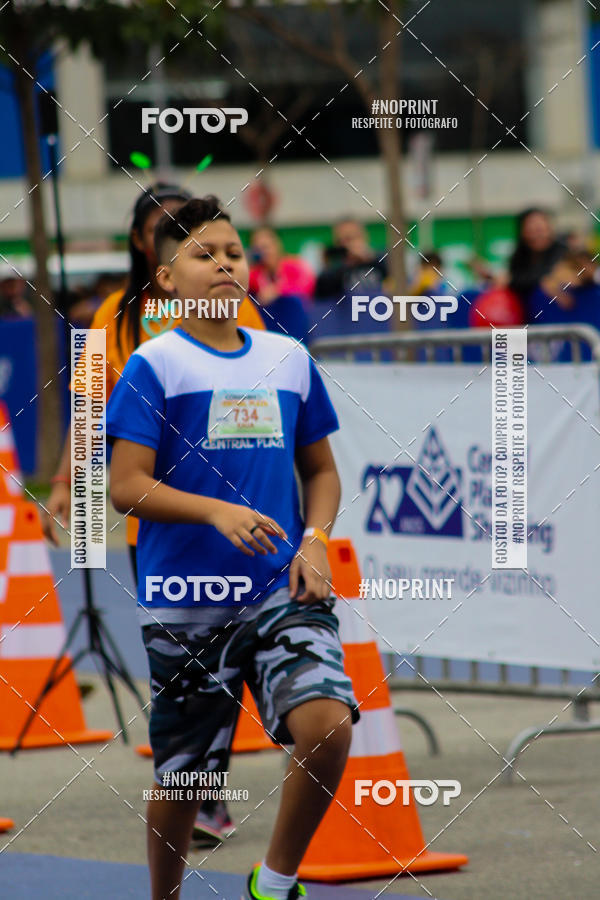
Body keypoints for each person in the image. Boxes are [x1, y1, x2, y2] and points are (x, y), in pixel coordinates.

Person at [105, 196, 358, 900]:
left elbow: (322, 472)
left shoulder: (287, 358)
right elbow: (125, 486)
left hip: (282, 588)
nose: (223, 264)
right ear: (165, 278)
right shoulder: (154, 366)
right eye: (203, 254)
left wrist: (315, 541)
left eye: (233, 252)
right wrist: (216, 511)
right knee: (186, 779)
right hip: (187, 599)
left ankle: (273, 884)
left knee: (327, 725)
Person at [42, 182, 265, 842]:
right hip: (159, 523)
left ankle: (208, 792)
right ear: (145, 242)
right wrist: (67, 479)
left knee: (232, 652)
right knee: (184, 662)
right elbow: (89, 402)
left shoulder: (235, 306)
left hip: (234, 512)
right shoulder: (114, 315)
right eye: (162, 225)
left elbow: (263, 389)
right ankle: (194, 790)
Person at [248, 227, 314, 343]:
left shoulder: (294, 265)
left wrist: (277, 290)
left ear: (277, 245)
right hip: (267, 330)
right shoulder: (254, 273)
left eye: (266, 247)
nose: (264, 253)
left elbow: (307, 286)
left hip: (294, 324)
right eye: (258, 249)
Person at [508, 208, 566, 317]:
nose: (538, 236)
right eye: (531, 231)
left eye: (541, 230)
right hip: (529, 318)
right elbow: (518, 279)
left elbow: (547, 275)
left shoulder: (564, 252)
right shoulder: (519, 255)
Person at [314, 217, 387, 300]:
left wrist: (369, 258)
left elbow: (393, 275)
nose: (348, 245)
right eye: (341, 241)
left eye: (351, 238)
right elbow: (322, 292)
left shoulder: (379, 258)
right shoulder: (337, 269)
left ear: (364, 237)